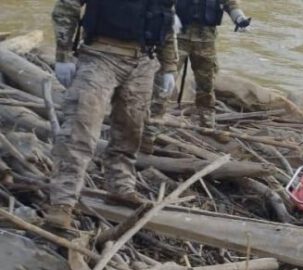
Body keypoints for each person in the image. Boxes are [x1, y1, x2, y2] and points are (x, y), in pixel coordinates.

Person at [47, 0, 179, 229]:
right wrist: (63, 54)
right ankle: (62, 201)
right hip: (99, 56)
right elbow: (66, 7)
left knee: (130, 131)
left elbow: (166, 16)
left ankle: (120, 186)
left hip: (143, 61)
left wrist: (169, 67)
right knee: (81, 126)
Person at [148, 0, 252, 135]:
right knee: (163, 84)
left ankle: (207, 125)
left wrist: (239, 18)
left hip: (206, 40)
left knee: (206, 85)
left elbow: (230, 3)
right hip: (176, 38)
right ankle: (151, 129)